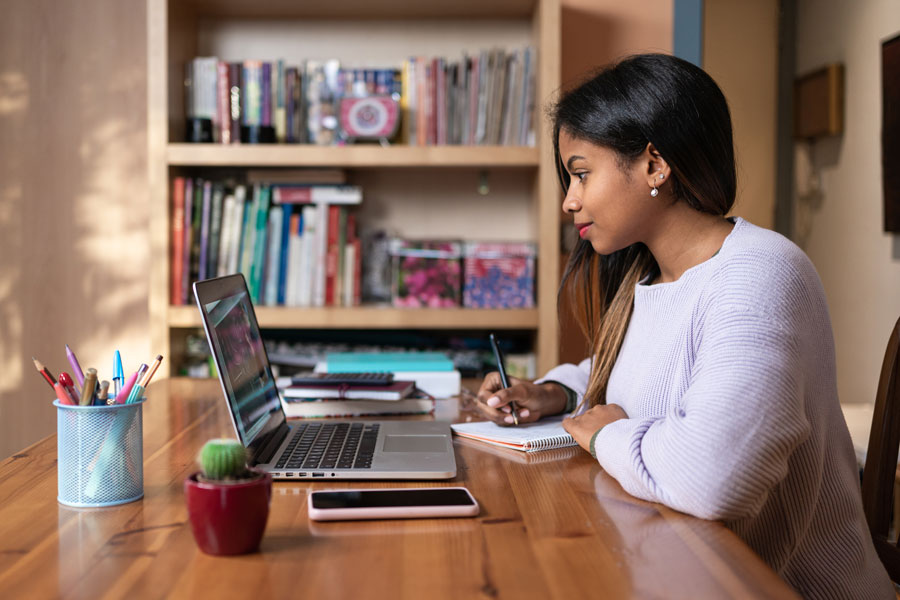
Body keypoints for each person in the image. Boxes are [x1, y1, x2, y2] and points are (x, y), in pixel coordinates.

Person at [473, 53, 894, 599]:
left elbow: (715, 477)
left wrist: (606, 434)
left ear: (654, 165)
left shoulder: (758, 274)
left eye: (580, 173)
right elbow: (637, 379)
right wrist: (551, 393)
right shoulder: (649, 274)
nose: (568, 200)